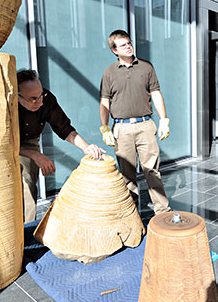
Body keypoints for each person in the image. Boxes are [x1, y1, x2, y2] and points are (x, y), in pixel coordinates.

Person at [99, 30, 171, 215]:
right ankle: (131, 215)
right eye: (123, 45)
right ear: (114, 50)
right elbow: (104, 101)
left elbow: (156, 93)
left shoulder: (146, 67)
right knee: (127, 175)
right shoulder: (109, 72)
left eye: (129, 43)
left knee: (152, 171)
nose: (128, 47)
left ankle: (162, 212)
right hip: (121, 128)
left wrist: (163, 120)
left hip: (145, 125)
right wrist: (105, 127)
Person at [17, 69, 104, 223]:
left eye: (40, 95)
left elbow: (64, 128)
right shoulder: (5, 104)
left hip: (30, 141)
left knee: (28, 183)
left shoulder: (47, 99)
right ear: (17, 97)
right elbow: (3, 143)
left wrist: (86, 147)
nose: (40, 102)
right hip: (3, 143)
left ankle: (27, 228)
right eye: (33, 99)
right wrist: (36, 155)